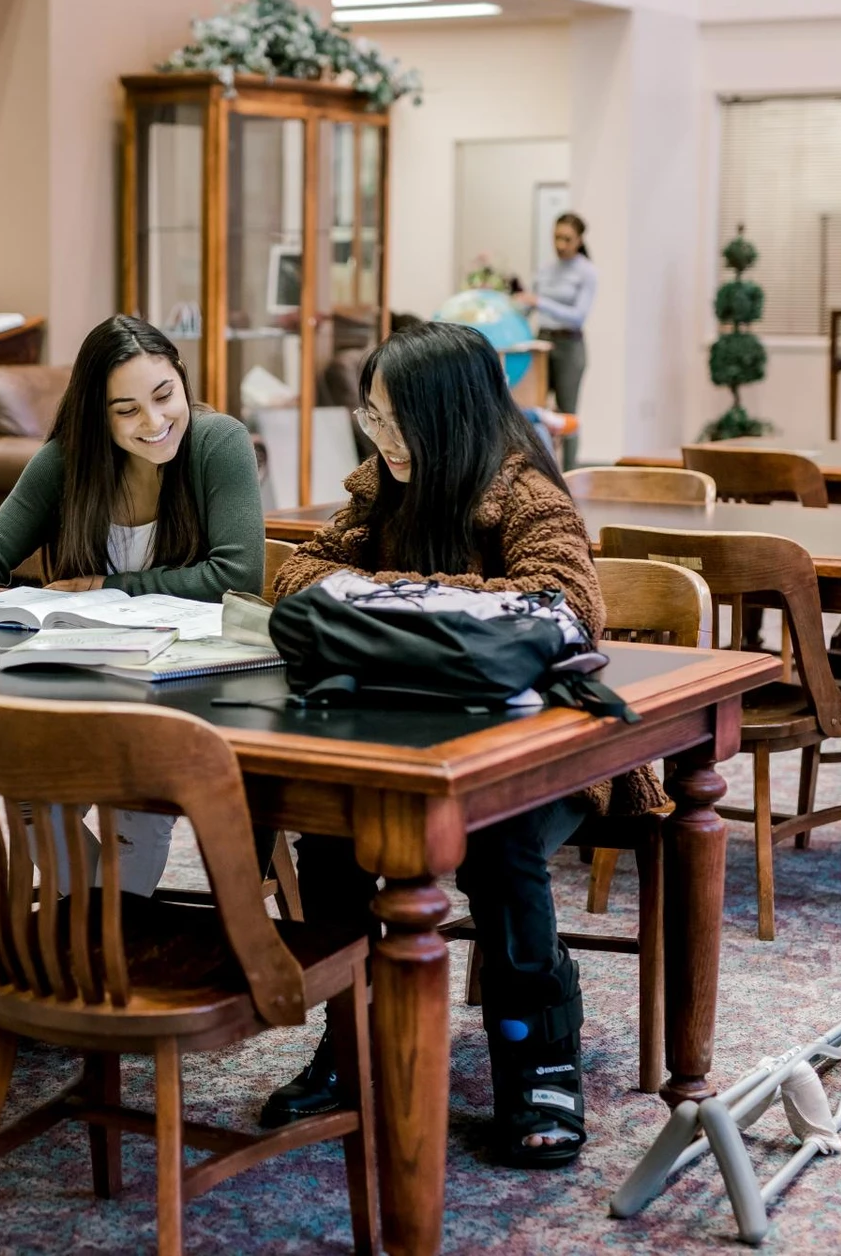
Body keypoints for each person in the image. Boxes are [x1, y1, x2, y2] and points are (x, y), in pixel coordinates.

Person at [259, 320, 667, 1168]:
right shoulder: (383, 486)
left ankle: (538, 1055)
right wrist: (439, 607)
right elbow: (295, 576)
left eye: (391, 417)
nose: (379, 436)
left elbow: (560, 606)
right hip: (404, 734)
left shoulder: (526, 494)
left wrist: (379, 600)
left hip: (544, 752)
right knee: (330, 832)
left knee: (502, 844)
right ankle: (349, 1036)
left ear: (445, 414)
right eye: (370, 418)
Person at [0, 313, 266, 891]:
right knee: (26, 791)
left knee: (139, 799)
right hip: (86, 676)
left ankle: (104, 941)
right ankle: (108, 934)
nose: (154, 421)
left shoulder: (218, 443)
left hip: (189, 683)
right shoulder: (66, 462)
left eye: (165, 395)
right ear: (98, 414)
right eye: (127, 410)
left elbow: (236, 575)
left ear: (181, 378)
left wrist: (106, 587)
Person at [515, 212, 595, 469]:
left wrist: (539, 302)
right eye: (556, 238)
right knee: (534, 408)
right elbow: (528, 309)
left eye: (567, 239)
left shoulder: (587, 272)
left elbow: (577, 317)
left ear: (579, 239)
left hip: (569, 345)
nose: (560, 244)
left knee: (567, 412)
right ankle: (538, 471)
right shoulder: (545, 269)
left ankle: (571, 474)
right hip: (542, 344)